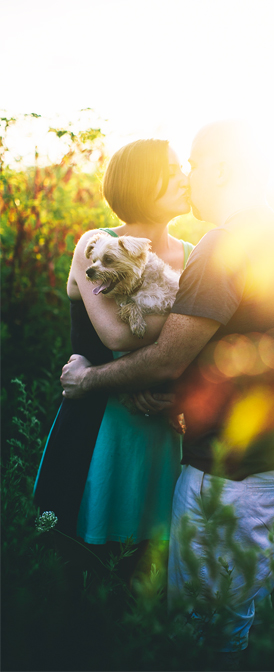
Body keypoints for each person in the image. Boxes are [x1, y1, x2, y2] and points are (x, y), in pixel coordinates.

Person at [59, 120, 274, 657]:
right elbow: (244, 346)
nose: (187, 178)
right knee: (231, 613)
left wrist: (93, 380)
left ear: (219, 169)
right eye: (175, 169)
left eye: (190, 164)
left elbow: (171, 353)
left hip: (231, 469)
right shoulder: (270, 232)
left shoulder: (219, 245)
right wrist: (182, 387)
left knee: (203, 627)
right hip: (253, 461)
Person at [34, 139, 193, 570]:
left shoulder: (195, 258)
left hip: (162, 429)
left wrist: (175, 382)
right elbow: (119, 333)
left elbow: (207, 353)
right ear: (141, 181)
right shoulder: (96, 246)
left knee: (150, 567)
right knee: (80, 562)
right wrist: (188, 327)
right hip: (98, 426)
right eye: (173, 169)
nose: (186, 176)